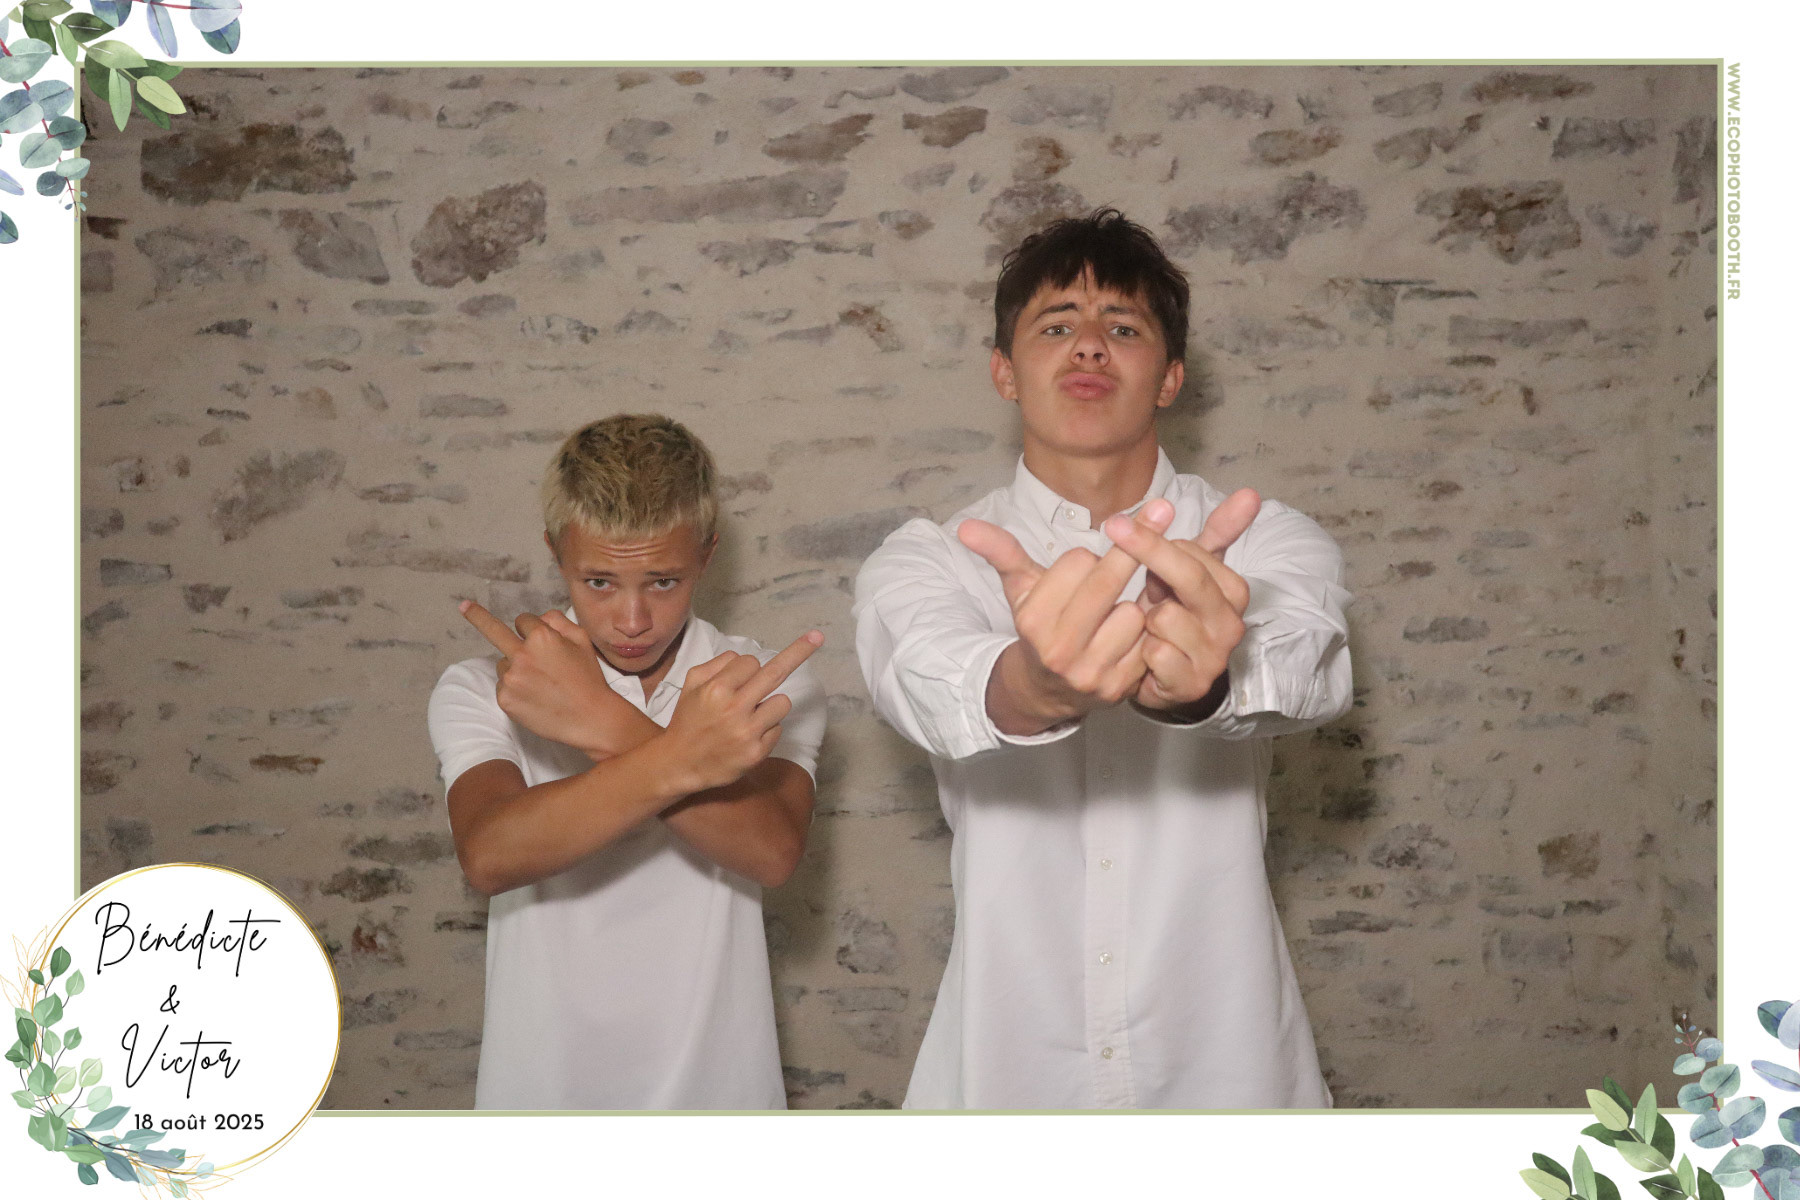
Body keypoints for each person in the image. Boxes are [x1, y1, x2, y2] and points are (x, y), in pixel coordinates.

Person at [852, 209, 1353, 1109]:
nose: (1089, 345)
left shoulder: (1267, 541)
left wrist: (1204, 688)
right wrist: (1035, 685)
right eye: (1056, 326)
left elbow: (1311, 667)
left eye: (1123, 327)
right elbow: (929, 681)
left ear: (1170, 379)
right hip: (1004, 1079)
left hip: (1229, 1072)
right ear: (1004, 371)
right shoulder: (927, 559)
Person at [427, 413, 826, 1110]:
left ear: (706, 555)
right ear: (556, 553)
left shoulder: (760, 681)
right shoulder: (480, 686)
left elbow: (771, 852)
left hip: (720, 1100)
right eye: (600, 582)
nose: (633, 620)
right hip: (541, 1103)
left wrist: (600, 720)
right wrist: (671, 750)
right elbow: (490, 856)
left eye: (663, 581)